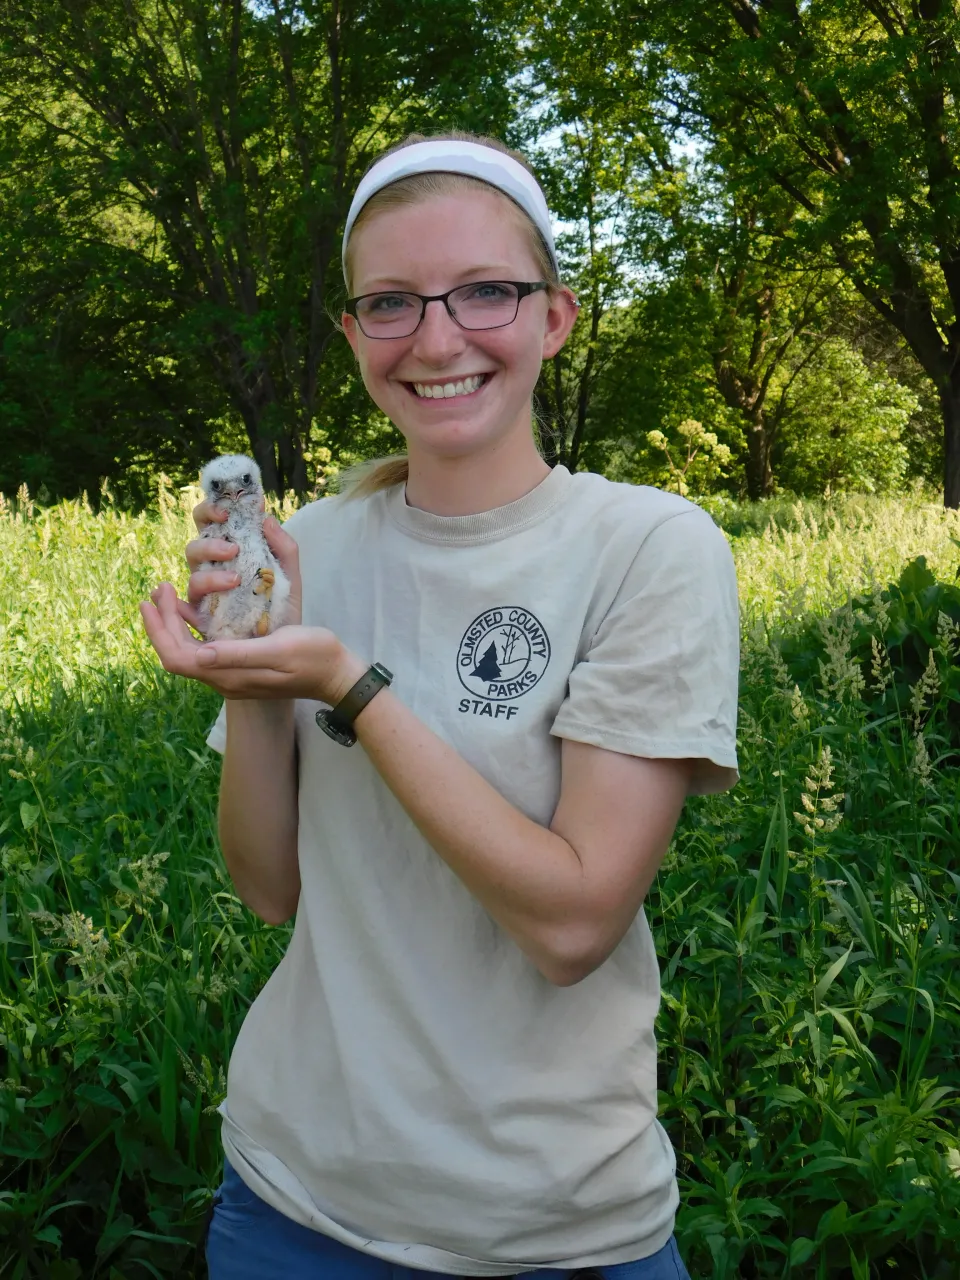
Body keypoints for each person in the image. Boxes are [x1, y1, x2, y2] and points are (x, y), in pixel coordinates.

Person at [140, 131, 740, 1280]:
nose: (437, 337)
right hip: (293, 1201)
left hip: (556, 1229)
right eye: (392, 303)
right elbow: (269, 888)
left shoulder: (648, 548)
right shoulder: (305, 547)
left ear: (555, 317)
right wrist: (255, 684)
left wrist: (346, 685)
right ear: (353, 332)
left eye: (485, 291)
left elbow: (573, 925)